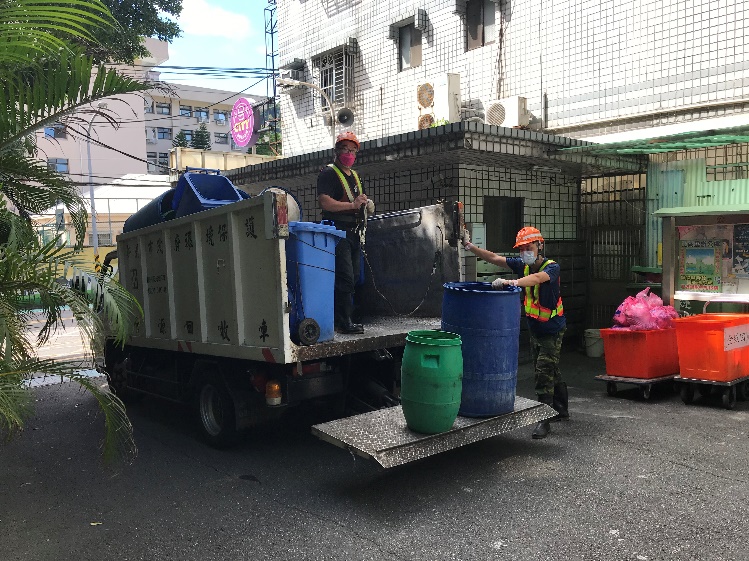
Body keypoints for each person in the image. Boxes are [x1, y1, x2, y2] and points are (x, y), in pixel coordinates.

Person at [462, 226, 567, 439]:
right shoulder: (523, 266)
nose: (525, 253)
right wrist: (469, 246)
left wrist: (511, 282)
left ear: (540, 246)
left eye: (529, 247)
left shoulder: (552, 267)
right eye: (521, 249)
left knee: (543, 372)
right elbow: (494, 258)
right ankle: (561, 409)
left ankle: (544, 421)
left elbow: (538, 280)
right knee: (550, 368)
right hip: (536, 328)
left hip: (552, 330)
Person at [317, 131, 374, 334]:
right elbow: (325, 202)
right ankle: (343, 321)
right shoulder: (329, 173)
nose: (349, 154)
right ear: (336, 151)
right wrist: (351, 205)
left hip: (354, 232)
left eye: (352, 150)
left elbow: (358, 202)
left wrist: (364, 205)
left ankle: (348, 316)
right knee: (345, 277)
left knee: (356, 277)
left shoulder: (356, 176)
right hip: (337, 231)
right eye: (345, 149)